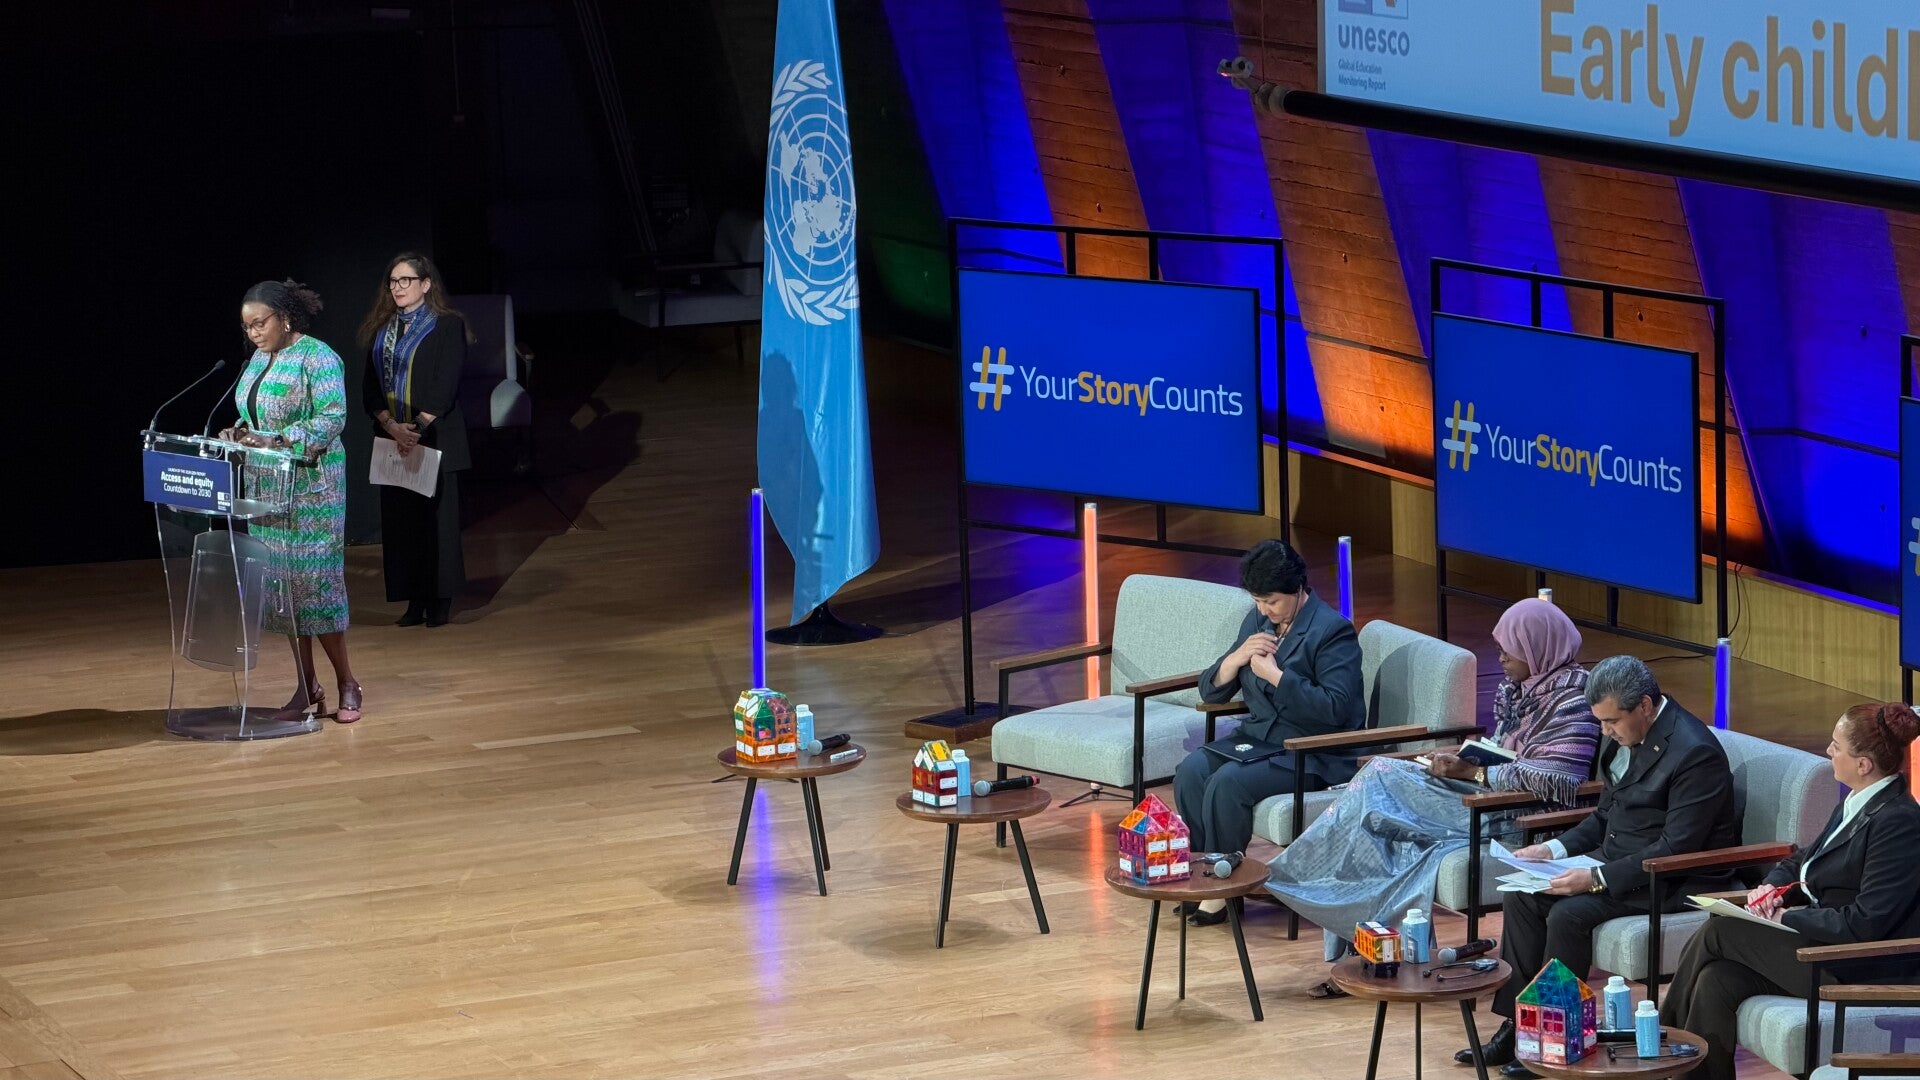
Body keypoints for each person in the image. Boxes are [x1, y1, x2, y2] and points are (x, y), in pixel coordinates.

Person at [1266, 597, 1600, 997]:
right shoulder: (1520, 689)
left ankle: (1298, 878)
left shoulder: (1573, 700)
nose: (1500, 658)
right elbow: (1506, 751)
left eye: (1509, 650)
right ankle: (1377, 957)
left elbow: (1556, 778)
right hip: (1484, 792)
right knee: (1386, 826)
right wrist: (1470, 758)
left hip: (1517, 815)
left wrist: (1475, 772)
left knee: (1381, 776)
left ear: (1537, 648)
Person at [1461, 654, 1740, 1078]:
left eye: (1611, 721)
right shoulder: (1621, 734)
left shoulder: (1695, 753)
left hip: (1670, 878)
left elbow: (1676, 847)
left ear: (1644, 706)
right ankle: (1520, 1027)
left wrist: (1594, 878)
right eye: (1601, 722)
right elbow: (1605, 816)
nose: (1605, 731)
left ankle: (1558, 1038)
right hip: (1618, 862)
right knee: (1521, 895)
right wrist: (1552, 849)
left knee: (1569, 914)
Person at [1659, 703, 1920, 1080]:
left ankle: (1659, 1046)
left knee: (1720, 930)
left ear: (1863, 764)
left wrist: (1789, 917)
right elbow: (1803, 859)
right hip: (1823, 948)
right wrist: (1772, 886)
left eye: (1836, 746)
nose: (1828, 751)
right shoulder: (1857, 800)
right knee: (1717, 979)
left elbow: (1865, 923)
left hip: (1859, 963)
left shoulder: (1898, 823)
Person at [1174, 539, 1363, 926]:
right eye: (1258, 600)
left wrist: (1277, 677)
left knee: (1228, 783)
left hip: (1311, 751)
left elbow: (1335, 709)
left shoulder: (1333, 631)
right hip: (1259, 739)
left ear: (1298, 589)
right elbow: (1211, 690)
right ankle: (1206, 871)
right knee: (1191, 771)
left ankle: (1224, 887)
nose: (1264, 609)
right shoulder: (1258, 621)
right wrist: (1236, 659)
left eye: (1271, 601)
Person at [224, 279, 362, 723]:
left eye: (259, 323)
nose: (253, 333)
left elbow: (332, 417)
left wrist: (279, 440)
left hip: (311, 495)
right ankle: (307, 687)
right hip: (266, 493)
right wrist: (239, 432)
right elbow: (252, 415)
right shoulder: (257, 360)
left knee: (316, 590)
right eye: (247, 327)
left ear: (284, 318)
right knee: (283, 593)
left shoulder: (318, 357)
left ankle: (346, 682)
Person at [358, 253, 471, 627]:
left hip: (434, 436)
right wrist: (392, 426)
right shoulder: (382, 330)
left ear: (426, 284)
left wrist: (416, 428)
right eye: (393, 281)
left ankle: (440, 600)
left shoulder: (447, 325)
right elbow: (369, 388)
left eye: (405, 280)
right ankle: (415, 600)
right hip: (394, 439)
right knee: (402, 525)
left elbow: (446, 385)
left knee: (437, 524)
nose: (397, 287)